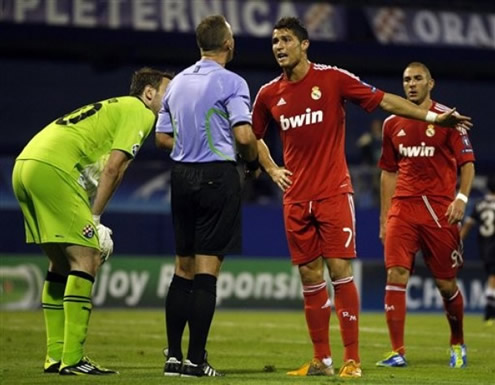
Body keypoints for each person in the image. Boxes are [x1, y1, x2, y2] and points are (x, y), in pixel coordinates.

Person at [251, 17, 472, 379]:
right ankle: (321, 360)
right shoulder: (268, 93)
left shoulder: (333, 78)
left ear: (304, 45)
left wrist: (434, 117)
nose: (278, 46)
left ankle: (351, 359)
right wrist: (272, 168)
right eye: (275, 40)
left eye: (286, 40)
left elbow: (386, 101)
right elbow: (254, 133)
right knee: (309, 275)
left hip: (333, 193)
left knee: (339, 270)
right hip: (295, 198)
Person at [12, 68, 172, 375]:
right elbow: (115, 168)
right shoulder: (140, 112)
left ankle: (55, 356)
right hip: (53, 170)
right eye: (169, 92)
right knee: (88, 256)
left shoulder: (114, 107)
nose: (173, 100)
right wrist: (95, 219)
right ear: (149, 93)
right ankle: (74, 359)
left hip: (26, 165)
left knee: (61, 263)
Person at [155, 15, 259, 377]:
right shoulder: (232, 82)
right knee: (206, 271)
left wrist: (191, 142)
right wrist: (251, 163)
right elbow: (244, 137)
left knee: (181, 267)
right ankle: (196, 361)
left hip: (181, 176)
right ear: (228, 45)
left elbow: (162, 138)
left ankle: (172, 357)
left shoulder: (178, 82)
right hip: (217, 175)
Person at [377, 62, 475, 369]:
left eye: (418, 78)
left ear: (430, 83)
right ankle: (397, 351)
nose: (411, 84)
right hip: (403, 210)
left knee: (446, 285)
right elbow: (388, 173)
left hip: (439, 211)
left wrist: (461, 198)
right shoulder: (392, 123)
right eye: (406, 79)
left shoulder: (449, 119)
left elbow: (468, 164)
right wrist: (385, 217)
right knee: (396, 274)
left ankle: (457, 342)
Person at [460, 175, 495, 326]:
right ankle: (489, 312)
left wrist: (458, 241)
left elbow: (468, 225)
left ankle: (489, 312)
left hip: (485, 246)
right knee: (493, 278)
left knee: (492, 277)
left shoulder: (479, 204)